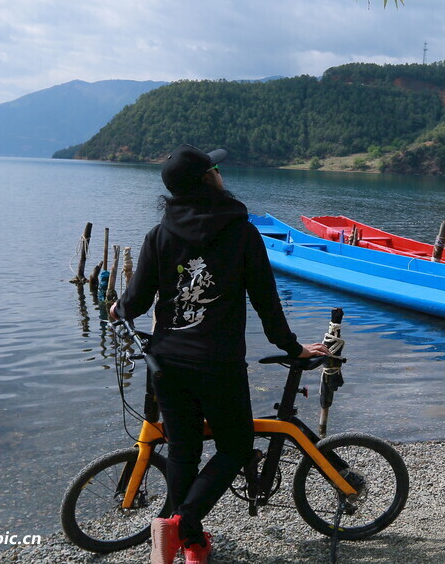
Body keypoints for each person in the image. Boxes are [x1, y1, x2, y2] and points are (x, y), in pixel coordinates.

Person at [109, 144, 327, 564]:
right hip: (218, 363)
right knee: (236, 445)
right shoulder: (241, 232)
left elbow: (135, 301)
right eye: (215, 169)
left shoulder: (160, 234)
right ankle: (182, 525)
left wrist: (117, 308)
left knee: (184, 451)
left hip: (166, 361)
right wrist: (291, 348)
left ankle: (187, 545)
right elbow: (266, 301)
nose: (220, 173)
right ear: (208, 180)